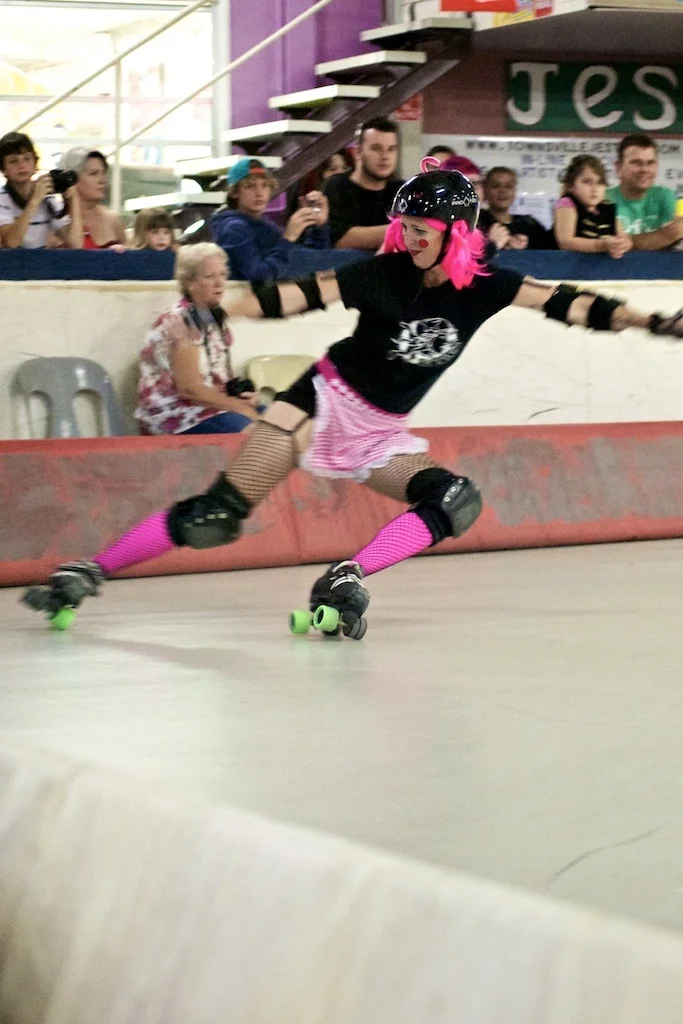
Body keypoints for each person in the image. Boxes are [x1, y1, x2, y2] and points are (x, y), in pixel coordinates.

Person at [23, 164, 683, 637]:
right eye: (406, 226)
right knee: (214, 518)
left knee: (454, 500)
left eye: (422, 228)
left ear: (455, 230)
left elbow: (571, 305)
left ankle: (346, 576)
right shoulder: (381, 273)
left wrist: (652, 322)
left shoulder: (486, 285)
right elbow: (301, 296)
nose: (410, 237)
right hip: (321, 402)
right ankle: (87, 570)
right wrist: (230, 309)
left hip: (380, 430)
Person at [135, 243, 260, 436]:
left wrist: (243, 398)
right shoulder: (180, 321)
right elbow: (190, 390)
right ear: (190, 283)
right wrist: (240, 407)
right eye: (209, 277)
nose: (219, 283)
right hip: (176, 412)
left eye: (222, 274)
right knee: (259, 434)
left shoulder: (213, 317)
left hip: (210, 405)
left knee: (283, 420)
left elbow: (219, 377)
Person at [211, 157, 367, 282]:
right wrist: (288, 238)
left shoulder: (262, 223)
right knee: (365, 261)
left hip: (303, 284)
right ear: (235, 193)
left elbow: (308, 257)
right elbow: (258, 276)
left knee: (366, 259)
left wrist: (318, 225)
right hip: (272, 297)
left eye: (264, 185)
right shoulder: (234, 227)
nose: (259, 192)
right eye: (250, 186)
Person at [323, 117, 403, 250]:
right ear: (358, 152)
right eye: (376, 148)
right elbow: (341, 239)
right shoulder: (337, 186)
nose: (385, 156)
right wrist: (403, 229)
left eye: (391, 149)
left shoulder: (402, 190)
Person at [0, 131, 82, 249]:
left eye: (27, 159)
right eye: (13, 161)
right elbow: (11, 242)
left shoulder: (47, 197)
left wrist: (74, 199)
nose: (21, 165)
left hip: (39, 260)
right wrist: (35, 200)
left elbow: (75, 243)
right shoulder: (2, 199)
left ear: (35, 165)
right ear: (3, 169)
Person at [607, 134, 683, 251]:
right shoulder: (604, 200)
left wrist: (629, 241)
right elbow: (613, 246)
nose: (644, 169)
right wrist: (664, 236)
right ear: (619, 167)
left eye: (650, 163)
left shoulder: (666, 196)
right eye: (636, 163)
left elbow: (678, 231)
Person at [554, 155, 632, 259]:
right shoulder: (567, 204)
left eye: (600, 183)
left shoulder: (607, 208)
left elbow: (625, 238)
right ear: (571, 185)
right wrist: (602, 245)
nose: (595, 189)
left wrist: (622, 245)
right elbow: (565, 242)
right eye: (587, 182)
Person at [57, 147, 126, 251]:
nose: (102, 180)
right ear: (71, 179)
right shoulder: (56, 221)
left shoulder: (113, 219)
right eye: (93, 173)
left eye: (103, 173)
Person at [479, 166, 554, 250]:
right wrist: (492, 243)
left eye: (508, 186)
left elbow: (549, 250)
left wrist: (526, 247)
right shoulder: (477, 222)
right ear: (485, 190)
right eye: (495, 186)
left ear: (515, 191)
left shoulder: (529, 225)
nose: (502, 191)